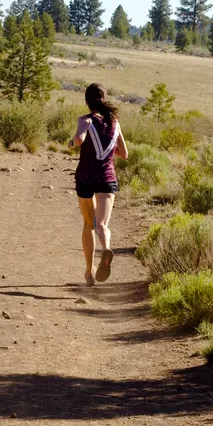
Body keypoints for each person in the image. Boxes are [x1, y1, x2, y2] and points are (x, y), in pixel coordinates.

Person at [72, 82, 128, 286]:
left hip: (86, 178)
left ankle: (89, 272)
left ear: (87, 102)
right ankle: (106, 248)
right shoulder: (115, 122)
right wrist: (108, 151)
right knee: (102, 224)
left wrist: (72, 143)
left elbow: (79, 139)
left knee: (88, 224)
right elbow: (125, 153)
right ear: (104, 99)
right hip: (107, 178)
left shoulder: (85, 120)